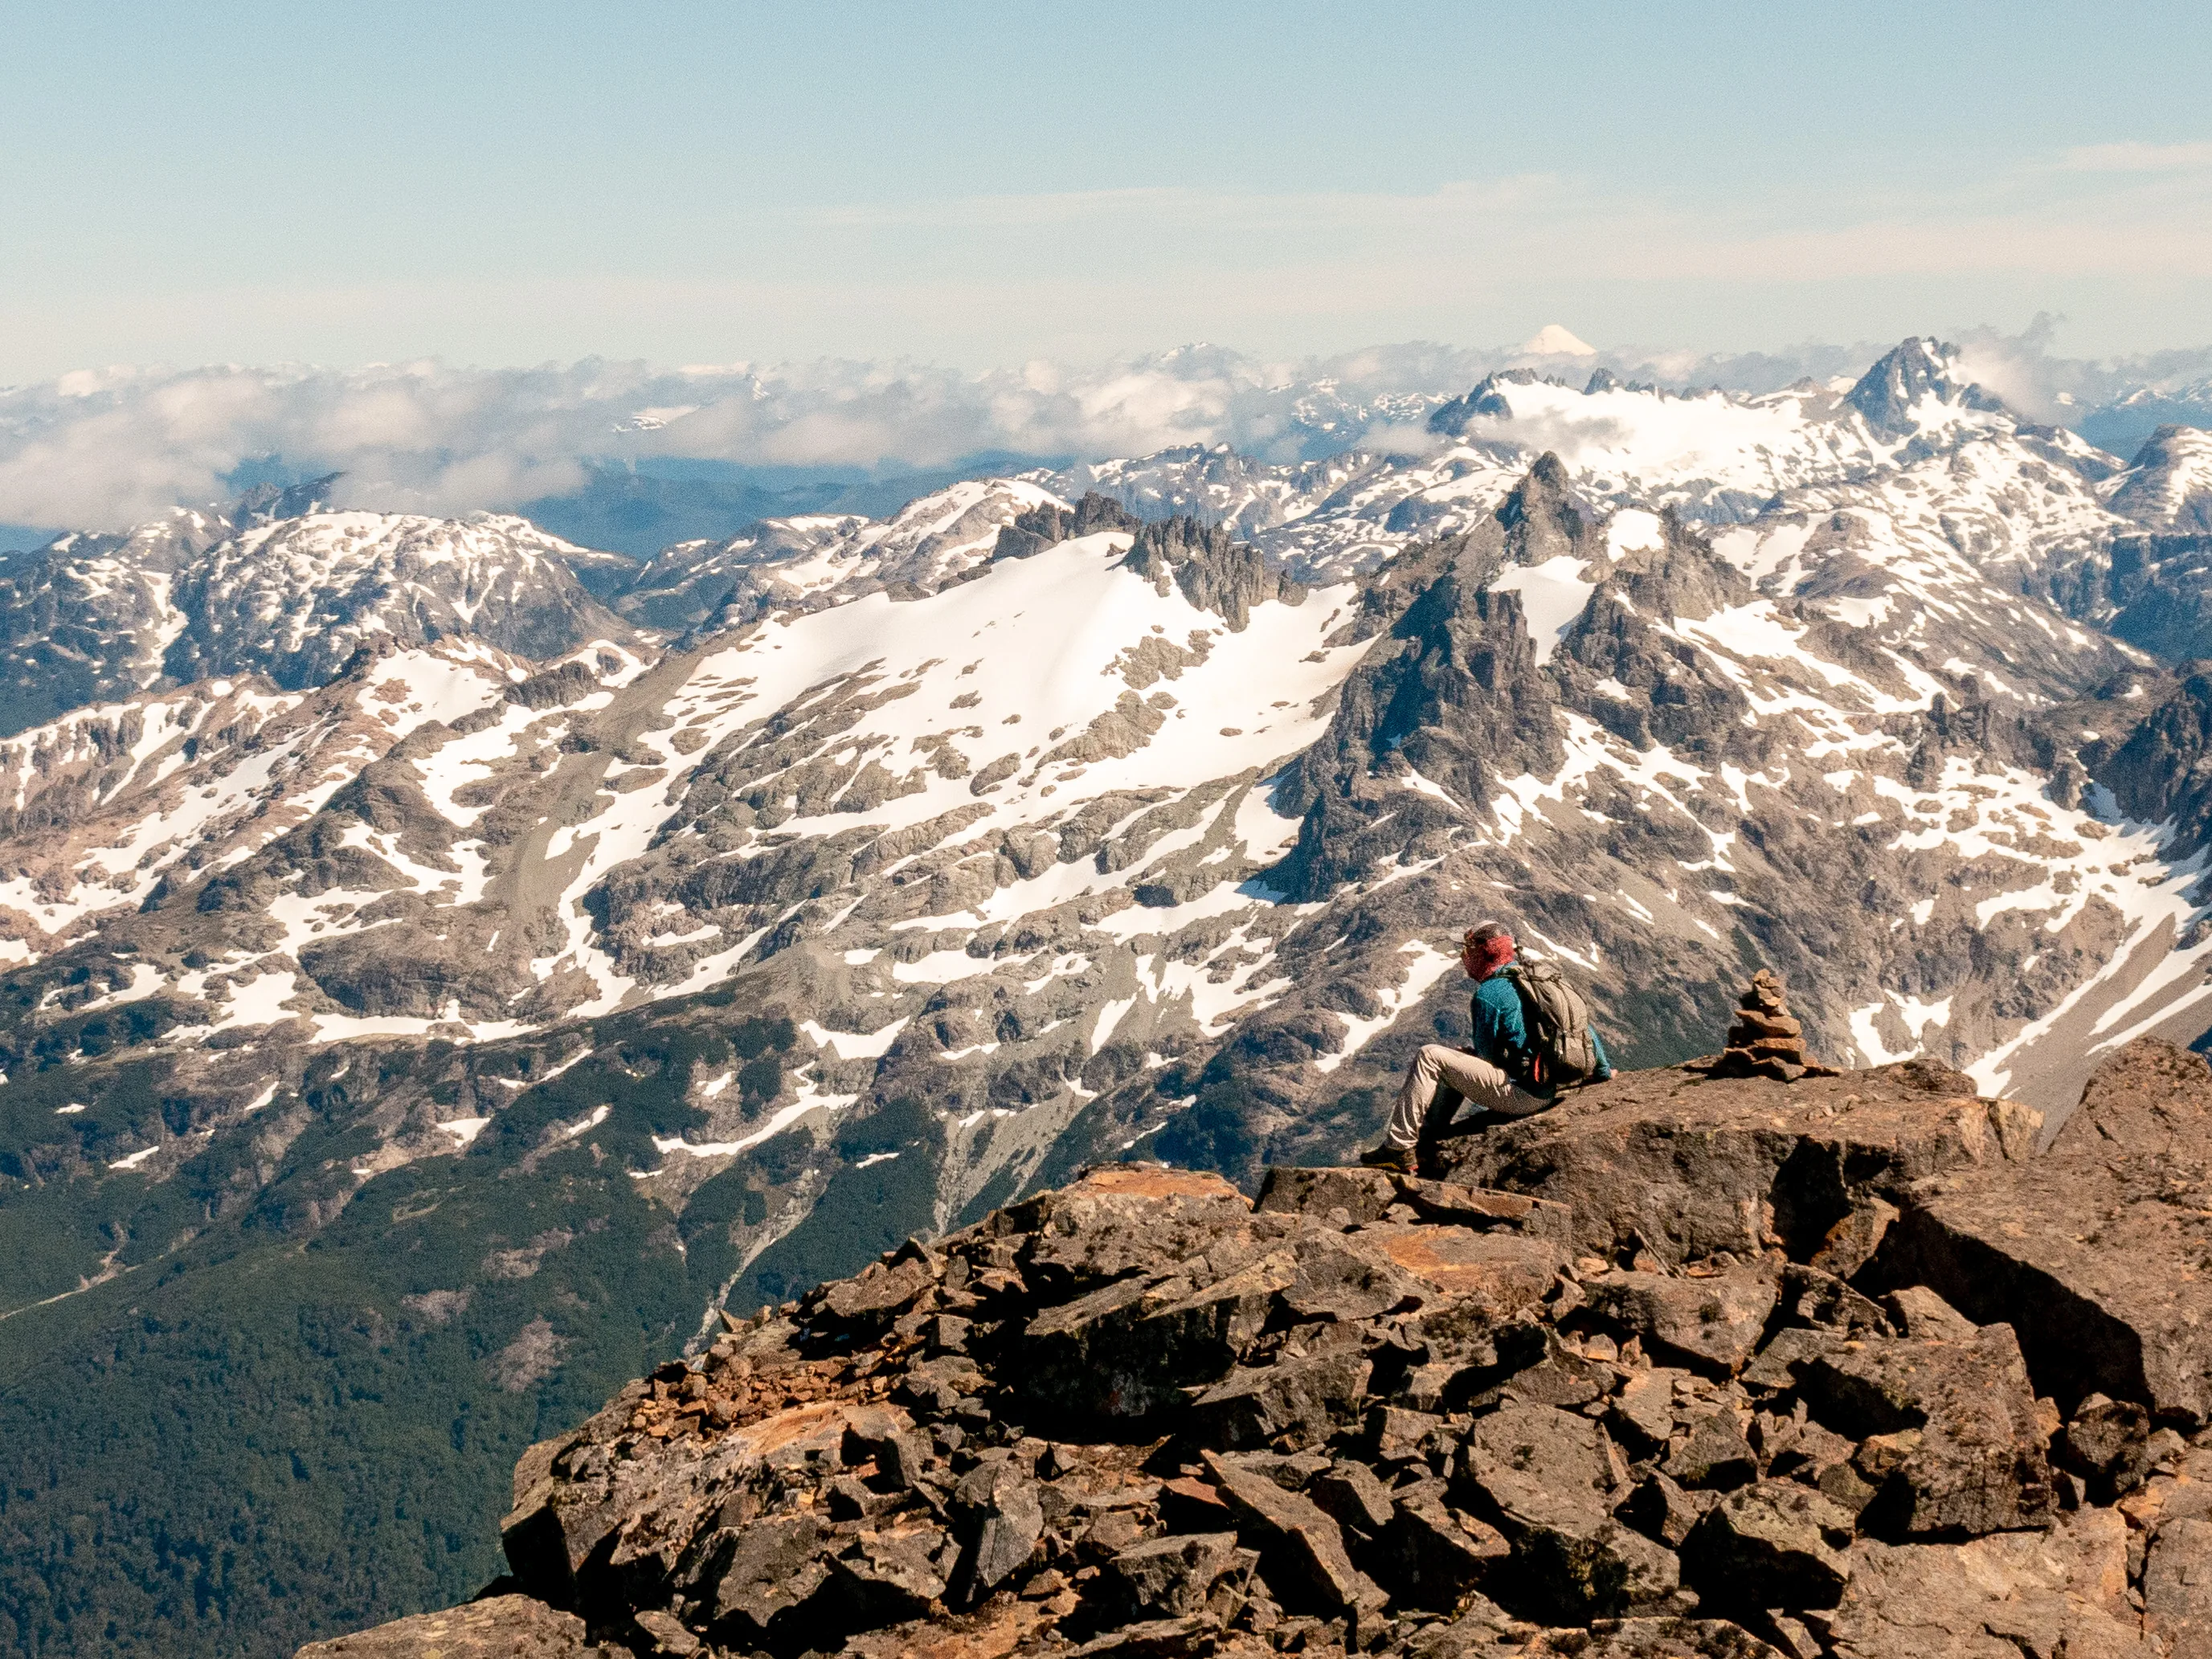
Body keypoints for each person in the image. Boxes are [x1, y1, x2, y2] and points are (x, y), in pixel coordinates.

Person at [1358, 921, 1613, 1173]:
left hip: (1521, 1095)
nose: (1463, 956)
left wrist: (1470, 1056)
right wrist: (1602, 1073)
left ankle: (1398, 1147)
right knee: (1451, 1061)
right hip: (1550, 1089)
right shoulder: (1541, 980)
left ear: (1485, 952)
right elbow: (1580, 1028)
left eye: (1468, 949)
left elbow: (1488, 1057)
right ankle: (1430, 1135)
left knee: (1431, 1056)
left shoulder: (1489, 994)